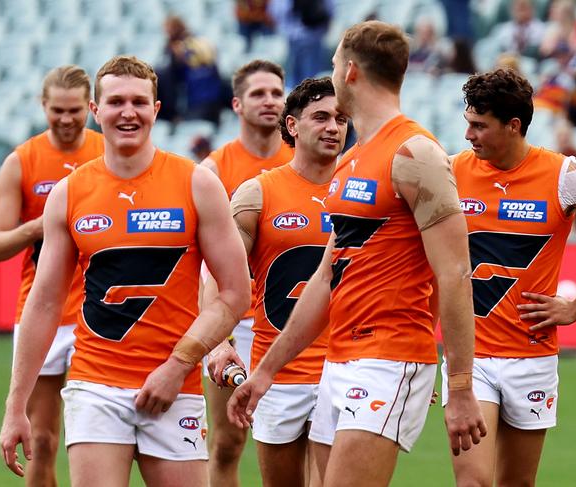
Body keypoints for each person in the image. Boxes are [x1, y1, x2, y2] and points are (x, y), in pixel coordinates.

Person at [228, 20, 486, 487]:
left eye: (332, 64)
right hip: (338, 359)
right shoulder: (350, 162)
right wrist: (265, 371)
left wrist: (462, 387)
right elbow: (327, 278)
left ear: (349, 71)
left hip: (390, 357)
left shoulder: (417, 154)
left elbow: (455, 274)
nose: (330, 72)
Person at [0, 55, 251, 487]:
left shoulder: (197, 184)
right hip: (95, 385)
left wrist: (177, 366)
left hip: (176, 385)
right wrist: (14, 405)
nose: (128, 112)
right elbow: (43, 303)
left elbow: (234, 293)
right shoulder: (69, 193)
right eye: (115, 102)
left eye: (139, 101)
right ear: (96, 112)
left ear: (156, 109)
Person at [447, 67, 576, 486]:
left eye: (479, 125)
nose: (468, 135)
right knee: (473, 482)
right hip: (470, 359)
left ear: (513, 126)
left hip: (533, 357)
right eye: (467, 123)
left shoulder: (567, 176)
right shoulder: (450, 171)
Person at [208, 77, 347, 487]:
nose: (333, 128)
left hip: (344, 371)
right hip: (278, 373)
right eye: (320, 117)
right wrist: (218, 343)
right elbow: (218, 274)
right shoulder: (257, 194)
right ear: (292, 126)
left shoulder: (365, 192)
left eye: (341, 118)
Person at [0, 64, 104, 487]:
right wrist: (44, 223)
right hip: (42, 311)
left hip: (98, 312)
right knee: (43, 439)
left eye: (75, 111)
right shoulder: (23, 161)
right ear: (43, 106)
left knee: (100, 435)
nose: (67, 120)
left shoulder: (108, 152)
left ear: (89, 107)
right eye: (58, 111)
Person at [199, 58, 292, 487]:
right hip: (235, 322)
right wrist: (216, 336)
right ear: (237, 104)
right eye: (258, 93)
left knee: (304, 439)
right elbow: (202, 260)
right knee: (227, 442)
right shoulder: (213, 172)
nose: (269, 101)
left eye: (276, 92)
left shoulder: (307, 160)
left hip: (294, 322)